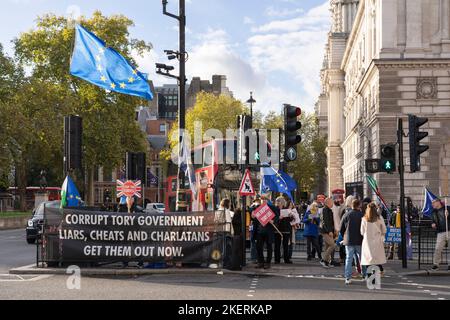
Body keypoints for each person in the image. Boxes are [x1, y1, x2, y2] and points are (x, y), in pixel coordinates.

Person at [340, 199, 364, 285]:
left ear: (352, 205)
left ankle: (347, 278)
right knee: (362, 259)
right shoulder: (362, 215)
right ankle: (364, 275)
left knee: (348, 259)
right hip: (359, 240)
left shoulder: (346, 214)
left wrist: (344, 236)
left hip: (348, 240)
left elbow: (341, 228)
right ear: (359, 205)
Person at [252, 195, 279, 269]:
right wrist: (253, 216)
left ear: (267, 200)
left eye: (264, 199)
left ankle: (268, 263)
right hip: (259, 231)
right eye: (262, 199)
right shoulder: (258, 208)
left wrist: (273, 220)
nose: (263, 201)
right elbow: (253, 216)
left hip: (269, 231)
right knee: (259, 247)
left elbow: (277, 217)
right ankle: (260, 262)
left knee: (269, 247)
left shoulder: (272, 208)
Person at [361, 202, 387, 279]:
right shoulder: (379, 218)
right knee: (376, 259)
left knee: (368, 259)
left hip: (367, 241)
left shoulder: (364, 219)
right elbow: (384, 230)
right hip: (377, 240)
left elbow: (362, 231)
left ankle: (369, 276)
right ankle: (376, 274)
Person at [431, 198, 450, 270]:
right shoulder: (433, 212)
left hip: (449, 230)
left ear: (438, 202)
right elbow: (433, 220)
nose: (432, 204)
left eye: (433, 203)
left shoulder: (447, 208)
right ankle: (436, 264)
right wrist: (432, 223)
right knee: (437, 249)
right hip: (440, 232)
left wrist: (448, 215)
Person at [274, 197, 293, 264]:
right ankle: (277, 259)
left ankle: (286, 259)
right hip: (277, 229)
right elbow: (273, 219)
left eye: (279, 202)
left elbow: (291, 220)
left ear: (282, 202)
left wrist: (291, 216)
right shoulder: (275, 209)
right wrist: (278, 218)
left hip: (285, 229)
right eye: (277, 202)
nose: (278, 203)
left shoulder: (286, 209)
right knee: (277, 245)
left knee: (285, 246)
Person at [319, 198, 336, 268]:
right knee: (333, 245)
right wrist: (329, 231)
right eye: (332, 202)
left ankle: (326, 262)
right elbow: (325, 221)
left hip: (326, 230)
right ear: (328, 203)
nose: (333, 204)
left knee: (327, 246)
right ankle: (323, 260)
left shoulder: (327, 209)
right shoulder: (325, 210)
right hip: (326, 231)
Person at [332, 199, 345, 265]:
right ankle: (332, 259)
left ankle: (335, 259)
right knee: (336, 244)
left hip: (337, 228)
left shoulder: (337, 208)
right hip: (336, 229)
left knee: (338, 244)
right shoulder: (339, 208)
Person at [249, 198, 261, 263]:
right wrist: (254, 206)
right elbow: (252, 214)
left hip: (259, 228)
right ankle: (253, 258)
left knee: (258, 244)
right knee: (253, 243)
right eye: (257, 201)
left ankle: (257, 257)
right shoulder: (252, 208)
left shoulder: (260, 207)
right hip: (253, 228)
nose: (258, 203)